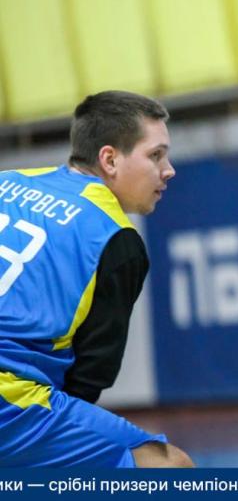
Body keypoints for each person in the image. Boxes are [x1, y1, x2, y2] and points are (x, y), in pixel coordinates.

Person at [0, 91, 193, 467]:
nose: (168, 169)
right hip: (10, 401)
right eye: (155, 155)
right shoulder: (116, 238)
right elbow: (85, 384)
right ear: (109, 159)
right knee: (169, 466)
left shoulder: (6, 181)